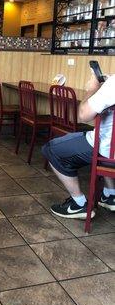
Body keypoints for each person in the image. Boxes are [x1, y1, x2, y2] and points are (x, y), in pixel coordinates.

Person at [42, 72, 115, 219]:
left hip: (108, 151)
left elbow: (83, 115)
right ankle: (110, 195)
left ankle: (79, 204)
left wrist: (93, 88)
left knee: (50, 149)